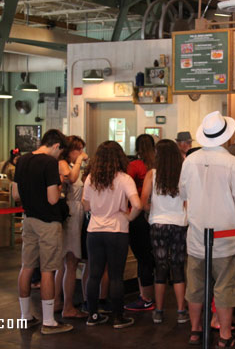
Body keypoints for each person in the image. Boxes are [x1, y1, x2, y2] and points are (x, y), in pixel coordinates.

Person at [179, 111, 235, 348]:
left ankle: (195, 331)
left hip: (196, 237)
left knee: (195, 287)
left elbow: (183, 196)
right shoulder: (233, 164)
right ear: (226, 136)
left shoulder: (189, 161)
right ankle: (225, 336)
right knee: (226, 288)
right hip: (228, 239)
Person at [12, 129, 72, 335]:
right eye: (60, 152)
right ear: (56, 146)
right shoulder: (49, 163)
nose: (59, 157)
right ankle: (49, 321)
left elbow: (15, 194)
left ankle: (25, 315)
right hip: (48, 222)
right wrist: (60, 186)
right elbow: (53, 199)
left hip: (28, 219)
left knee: (26, 266)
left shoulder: (22, 160)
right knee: (48, 270)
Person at [83, 141, 142, 329]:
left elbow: (86, 205)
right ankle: (118, 317)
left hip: (94, 230)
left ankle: (92, 315)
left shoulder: (90, 178)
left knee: (94, 274)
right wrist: (128, 217)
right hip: (117, 230)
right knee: (116, 276)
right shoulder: (125, 179)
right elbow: (138, 205)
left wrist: (98, 210)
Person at [140, 139, 189, 324]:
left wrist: (154, 207)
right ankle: (181, 311)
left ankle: (159, 311)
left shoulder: (152, 174)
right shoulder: (183, 175)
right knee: (178, 267)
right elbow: (187, 202)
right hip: (179, 224)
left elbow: (144, 203)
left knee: (160, 267)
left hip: (158, 224)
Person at [54, 136, 88, 319]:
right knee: (71, 262)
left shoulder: (67, 165)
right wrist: (80, 161)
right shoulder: (63, 164)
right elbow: (73, 178)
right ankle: (67, 306)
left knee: (65, 264)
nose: (81, 153)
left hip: (74, 213)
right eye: (78, 149)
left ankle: (58, 301)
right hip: (72, 215)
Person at [124, 134, 156, 312]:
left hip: (137, 214)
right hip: (156, 214)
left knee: (142, 258)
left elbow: (126, 189)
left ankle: (145, 297)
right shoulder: (157, 165)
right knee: (152, 258)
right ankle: (153, 296)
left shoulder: (135, 166)